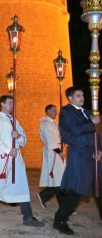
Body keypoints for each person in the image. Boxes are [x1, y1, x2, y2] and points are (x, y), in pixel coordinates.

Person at [0, 95, 44, 227]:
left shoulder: (15, 120)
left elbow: (24, 139)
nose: (12, 105)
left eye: (13, 103)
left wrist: (18, 136)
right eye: (10, 103)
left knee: (21, 185)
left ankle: (27, 217)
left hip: (16, 159)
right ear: (2, 104)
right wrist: (8, 150)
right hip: (2, 159)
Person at [53, 86, 101, 235]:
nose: (82, 98)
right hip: (79, 155)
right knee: (77, 191)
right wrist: (91, 122)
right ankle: (59, 220)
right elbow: (73, 130)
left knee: (99, 188)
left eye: (83, 95)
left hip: (94, 156)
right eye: (78, 96)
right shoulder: (66, 112)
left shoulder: (88, 112)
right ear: (70, 98)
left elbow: (97, 134)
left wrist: (99, 150)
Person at [37, 105, 65, 208]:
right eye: (54, 110)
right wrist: (60, 152)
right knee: (59, 180)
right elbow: (50, 140)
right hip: (53, 153)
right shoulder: (45, 124)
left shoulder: (52, 123)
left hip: (55, 151)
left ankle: (64, 206)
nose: (56, 112)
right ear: (48, 111)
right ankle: (44, 195)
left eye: (56, 110)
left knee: (59, 180)